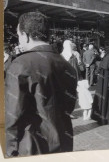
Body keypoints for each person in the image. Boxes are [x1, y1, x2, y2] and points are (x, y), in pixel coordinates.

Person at [5, 12, 77, 157]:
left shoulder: (21, 64)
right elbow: (69, 105)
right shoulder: (66, 64)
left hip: (31, 145)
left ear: (25, 35)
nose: (19, 40)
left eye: (18, 36)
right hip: (63, 140)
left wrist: (9, 149)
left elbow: (13, 113)